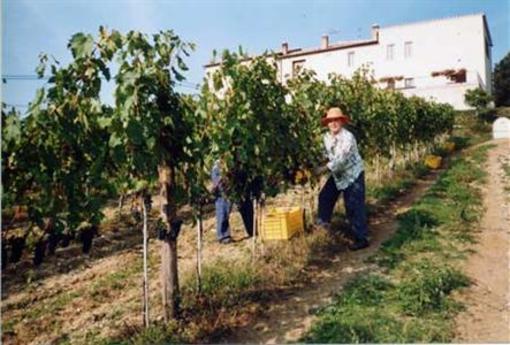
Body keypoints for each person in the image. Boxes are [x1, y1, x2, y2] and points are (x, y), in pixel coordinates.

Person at [314, 107, 369, 251]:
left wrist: (321, 170)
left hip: (352, 175)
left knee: (353, 206)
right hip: (338, 175)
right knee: (325, 197)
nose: (333, 123)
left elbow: (341, 160)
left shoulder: (348, 137)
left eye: (336, 120)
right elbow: (324, 155)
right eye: (330, 121)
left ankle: (361, 239)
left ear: (342, 122)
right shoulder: (326, 138)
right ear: (327, 123)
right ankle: (322, 230)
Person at [211, 159, 254, 244]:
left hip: (239, 163)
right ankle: (224, 236)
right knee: (223, 200)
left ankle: (252, 229)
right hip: (222, 165)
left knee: (245, 197)